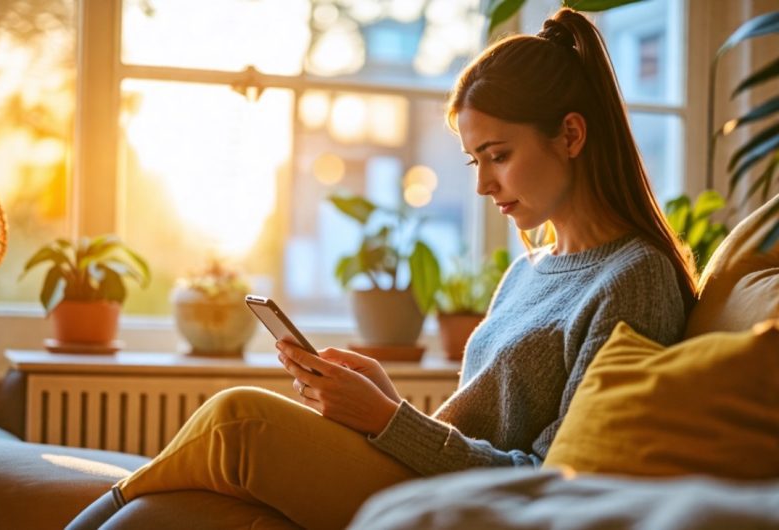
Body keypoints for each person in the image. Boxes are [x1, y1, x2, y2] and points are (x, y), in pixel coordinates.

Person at [69, 7, 696, 530]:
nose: (483, 185)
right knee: (178, 507)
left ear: (572, 135)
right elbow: (468, 433)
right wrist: (386, 406)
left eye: (497, 155)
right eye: (474, 160)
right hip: (430, 482)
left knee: (241, 420)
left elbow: (557, 480)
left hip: (486, 513)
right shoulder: (528, 272)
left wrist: (386, 421)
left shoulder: (633, 280)